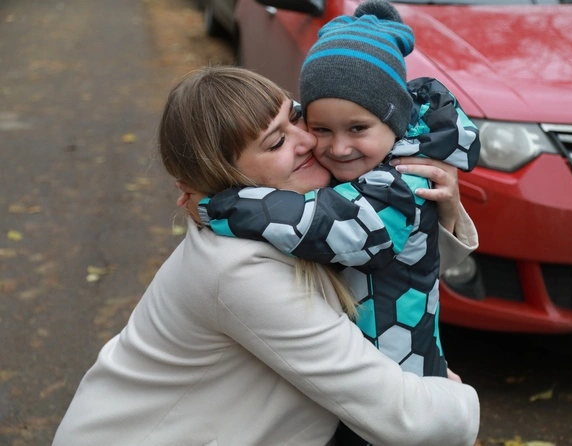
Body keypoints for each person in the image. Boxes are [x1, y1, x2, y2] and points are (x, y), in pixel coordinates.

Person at [53, 66, 479, 446]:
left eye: (296, 117)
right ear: (228, 177)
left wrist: (436, 207)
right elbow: (402, 415)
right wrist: (457, 397)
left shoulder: (298, 214)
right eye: (277, 141)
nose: (309, 140)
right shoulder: (239, 268)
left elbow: (383, 273)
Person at [197, 0, 478, 388]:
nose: (340, 148)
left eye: (358, 129)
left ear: (395, 120)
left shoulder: (403, 181)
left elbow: (322, 224)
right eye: (322, 129)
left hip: (399, 375)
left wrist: (219, 203)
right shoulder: (371, 156)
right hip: (353, 371)